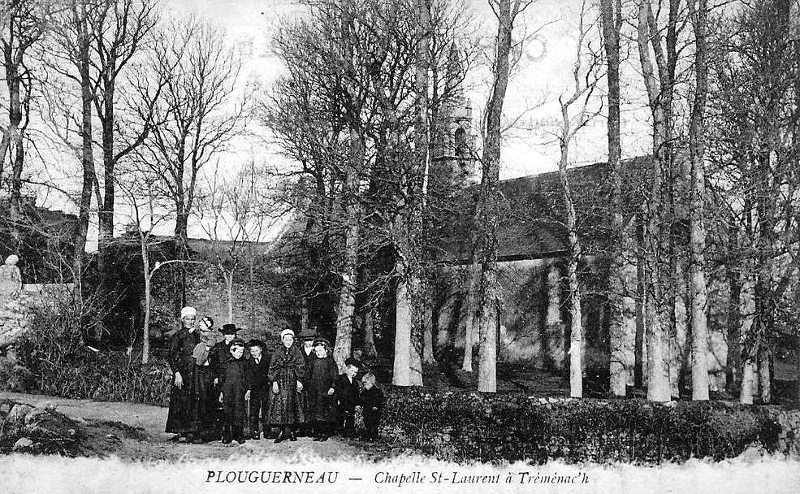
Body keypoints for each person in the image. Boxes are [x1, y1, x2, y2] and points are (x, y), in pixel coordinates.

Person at [165, 306, 201, 442]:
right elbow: (171, 355)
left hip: (196, 372)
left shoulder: (198, 335)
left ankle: (192, 431)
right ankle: (181, 431)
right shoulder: (178, 335)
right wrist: (177, 373)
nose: (190, 322)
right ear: (182, 320)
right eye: (187, 319)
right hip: (183, 372)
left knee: (194, 401)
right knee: (181, 400)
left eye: (192, 319)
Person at [266, 328, 306, 443]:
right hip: (281, 381)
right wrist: (274, 382)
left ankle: (292, 431)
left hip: (293, 381)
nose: (288, 341)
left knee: (293, 405)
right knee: (281, 406)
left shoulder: (297, 352)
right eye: (286, 339)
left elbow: (301, 366)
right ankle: (282, 432)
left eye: (290, 339)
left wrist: (299, 380)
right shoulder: (277, 352)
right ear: (282, 340)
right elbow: (272, 368)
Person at [189, 318, 219, 443]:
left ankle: (206, 431)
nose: (199, 325)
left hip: (206, 369)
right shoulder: (199, 332)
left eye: (202, 323)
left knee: (205, 398)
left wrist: (207, 348)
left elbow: (211, 342)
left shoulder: (210, 335)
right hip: (199, 367)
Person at [304, 338, 338, 442]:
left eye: (321, 351)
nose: (318, 353)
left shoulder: (330, 362)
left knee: (325, 411)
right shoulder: (313, 362)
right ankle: (317, 432)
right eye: (317, 351)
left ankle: (325, 433)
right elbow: (308, 375)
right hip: (315, 390)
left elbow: (335, 376)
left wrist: (332, 386)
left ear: (326, 350)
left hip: (325, 390)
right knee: (315, 411)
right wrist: (308, 385)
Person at [219, 338, 249, 444]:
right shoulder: (226, 363)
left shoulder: (245, 363)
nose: (239, 354)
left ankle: (238, 435)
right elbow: (221, 378)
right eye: (237, 351)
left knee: (239, 413)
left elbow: (248, 378)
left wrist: (248, 390)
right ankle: (227, 435)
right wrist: (221, 392)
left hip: (239, 391)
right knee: (227, 412)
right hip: (227, 391)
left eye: (241, 352)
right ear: (232, 351)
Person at [246, 339, 270, 440]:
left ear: (260, 350)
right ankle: (254, 431)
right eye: (252, 351)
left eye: (256, 351)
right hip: (254, 389)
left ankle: (267, 431)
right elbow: (248, 377)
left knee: (266, 409)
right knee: (254, 410)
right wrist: (249, 389)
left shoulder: (268, 359)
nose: (254, 353)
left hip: (265, 387)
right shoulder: (248, 362)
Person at [297, 327, 317, 437]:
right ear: (303, 341)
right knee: (301, 404)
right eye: (306, 340)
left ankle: (311, 428)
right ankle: (302, 428)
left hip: (313, 382)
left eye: (310, 340)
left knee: (312, 404)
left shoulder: (317, 351)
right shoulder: (299, 351)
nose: (308, 342)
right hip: (301, 381)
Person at [335, 357, 361, 437]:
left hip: (351, 403)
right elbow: (338, 390)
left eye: (355, 372)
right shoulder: (341, 379)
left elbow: (356, 394)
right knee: (341, 416)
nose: (353, 373)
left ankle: (349, 431)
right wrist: (339, 399)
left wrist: (357, 403)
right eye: (352, 371)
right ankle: (339, 430)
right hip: (343, 402)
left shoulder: (355, 383)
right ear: (347, 369)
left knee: (351, 416)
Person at [359, 372, 384, 441]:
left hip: (374, 410)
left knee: (374, 423)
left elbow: (379, 400)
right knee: (367, 422)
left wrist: (376, 406)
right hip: (366, 409)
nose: (365, 386)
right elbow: (361, 400)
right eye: (364, 384)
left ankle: (374, 435)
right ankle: (368, 434)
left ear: (372, 383)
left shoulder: (376, 391)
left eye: (367, 384)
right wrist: (360, 404)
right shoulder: (364, 392)